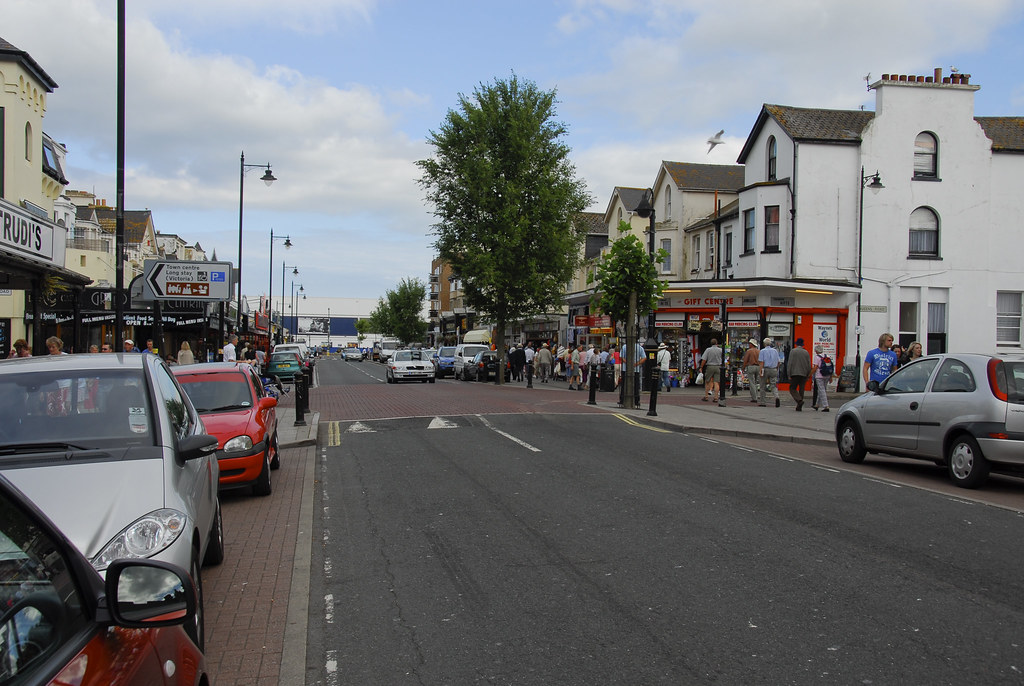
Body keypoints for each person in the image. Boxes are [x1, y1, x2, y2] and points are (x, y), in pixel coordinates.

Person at [786, 338, 812, 411]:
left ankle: (799, 400)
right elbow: (809, 365)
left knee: (792, 388)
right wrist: (808, 374)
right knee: (801, 389)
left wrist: (789, 374)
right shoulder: (806, 352)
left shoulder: (793, 351)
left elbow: (790, 363)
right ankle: (799, 406)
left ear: (796, 344)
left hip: (794, 373)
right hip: (804, 374)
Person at [758, 337, 782, 407]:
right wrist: (776, 369)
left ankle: (763, 402)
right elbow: (778, 362)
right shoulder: (775, 351)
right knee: (773, 385)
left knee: (762, 386)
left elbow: (761, 362)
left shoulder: (762, 351)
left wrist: (760, 371)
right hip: (774, 369)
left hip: (765, 369)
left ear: (764, 344)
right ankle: (776, 397)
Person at [811, 343, 832, 412]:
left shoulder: (816, 357)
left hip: (819, 376)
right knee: (822, 390)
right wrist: (831, 376)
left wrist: (810, 374)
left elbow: (815, 367)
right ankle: (817, 405)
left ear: (816, 351)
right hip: (827, 375)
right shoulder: (827, 356)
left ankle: (826, 406)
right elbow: (830, 366)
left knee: (821, 390)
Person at [742, 339, 761, 404]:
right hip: (758, 367)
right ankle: (756, 395)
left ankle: (754, 397)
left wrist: (743, 368)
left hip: (751, 366)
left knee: (751, 382)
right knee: (755, 382)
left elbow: (745, 361)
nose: (749, 345)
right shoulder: (759, 351)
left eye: (749, 343)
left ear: (751, 344)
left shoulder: (749, 351)